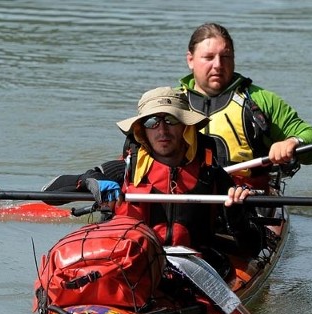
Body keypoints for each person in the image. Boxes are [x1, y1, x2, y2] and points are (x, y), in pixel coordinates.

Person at [42, 86, 263, 260]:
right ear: (142, 130)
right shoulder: (124, 170)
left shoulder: (212, 176)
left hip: (193, 266)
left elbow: (252, 249)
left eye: (171, 119)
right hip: (130, 261)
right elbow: (48, 194)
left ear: (186, 127)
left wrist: (237, 215)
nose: (162, 129)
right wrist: (90, 181)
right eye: (152, 121)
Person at [180, 23, 312, 188]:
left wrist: (293, 142)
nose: (218, 65)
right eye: (209, 57)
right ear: (190, 60)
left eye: (225, 57)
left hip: (248, 200)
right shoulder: (171, 103)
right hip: (187, 198)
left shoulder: (260, 100)